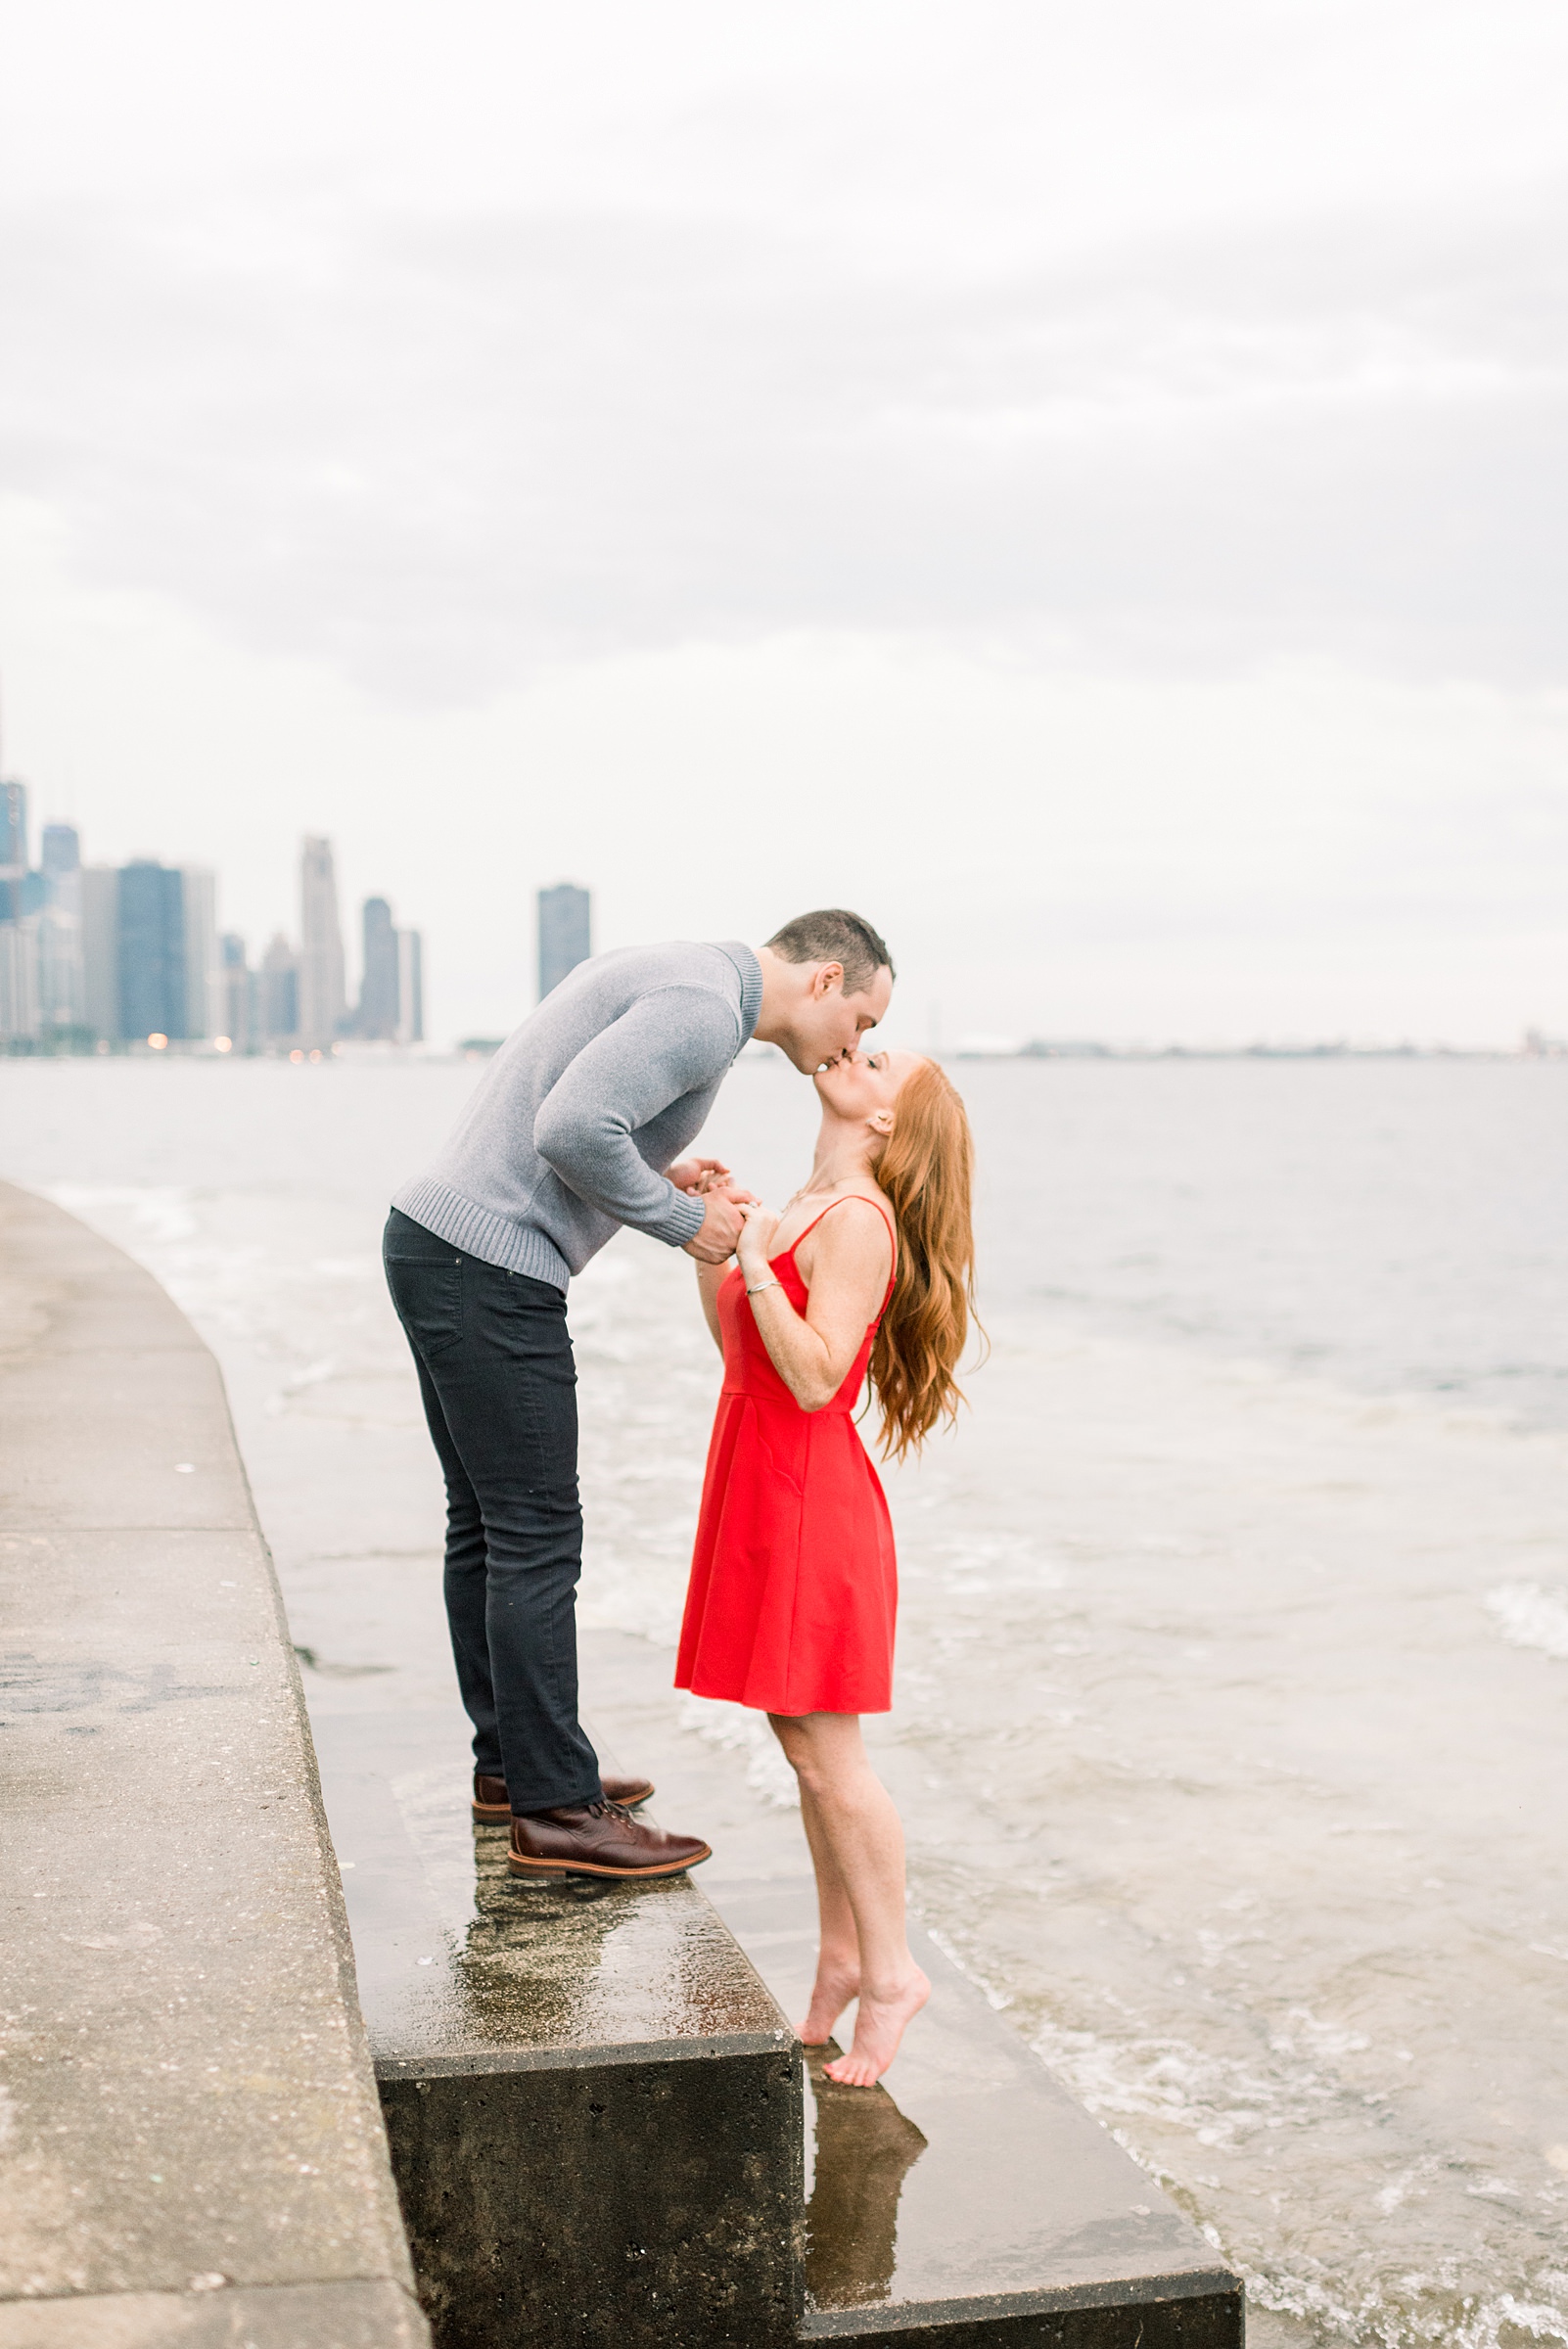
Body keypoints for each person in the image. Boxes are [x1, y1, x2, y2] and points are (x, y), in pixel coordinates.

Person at [382, 910, 895, 1881]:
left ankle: (517, 1771)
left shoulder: (688, 974)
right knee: (534, 1535)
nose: (855, 1046)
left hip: (440, 1240)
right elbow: (569, 1126)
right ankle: (558, 1813)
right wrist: (678, 1220)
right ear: (827, 980)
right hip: (487, 1266)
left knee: (488, 1529)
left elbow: (572, 1120)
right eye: (862, 1021)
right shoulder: (706, 1010)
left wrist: (657, 1172)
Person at [676, 1048, 977, 2081]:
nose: (859, 1052)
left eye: (883, 1059)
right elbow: (746, 1356)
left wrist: (757, 1261)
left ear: (893, 1119)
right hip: (763, 1482)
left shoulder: (858, 1219)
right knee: (801, 1750)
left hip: (810, 1497)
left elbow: (813, 1380)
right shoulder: (811, 1200)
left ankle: (894, 1973)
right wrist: (714, 1240)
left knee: (829, 1756)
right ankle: (843, 1955)